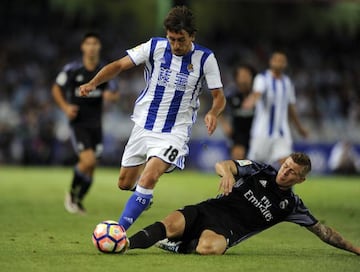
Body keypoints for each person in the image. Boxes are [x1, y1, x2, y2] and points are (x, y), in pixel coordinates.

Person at [79, 6, 226, 230]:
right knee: (125, 183)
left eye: (181, 40)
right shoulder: (155, 46)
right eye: (172, 39)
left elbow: (219, 96)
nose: (176, 45)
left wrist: (213, 112)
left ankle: (118, 232)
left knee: (149, 177)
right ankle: (143, 198)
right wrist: (93, 82)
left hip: (174, 131)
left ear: (192, 36)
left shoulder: (206, 59)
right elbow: (119, 65)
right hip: (143, 125)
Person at [125, 152, 360, 256]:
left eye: (292, 172)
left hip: (226, 229)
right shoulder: (259, 170)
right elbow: (222, 164)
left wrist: (355, 249)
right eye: (285, 166)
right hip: (206, 210)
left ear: (301, 179)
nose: (285, 172)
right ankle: (124, 243)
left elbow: (323, 232)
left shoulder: (291, 205)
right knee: (170, 223)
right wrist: (227, 174)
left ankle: (175, 246)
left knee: (210, 249)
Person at [52, 32, 119, 214]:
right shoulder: (73, 69)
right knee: (87, 160)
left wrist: (109, 96)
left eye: (95, 43)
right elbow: (56, 88)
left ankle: (79, 200)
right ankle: (71, 195)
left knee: (91, 167)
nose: (91, 46)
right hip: (78, 123)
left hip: (96, 125)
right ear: (83, 47)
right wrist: (66, 107)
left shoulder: (104, 70)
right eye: (88, 43)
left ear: (99, 47)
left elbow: (115, 92)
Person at [243, 52, 308, 164]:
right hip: (262, 131)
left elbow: (291, 107)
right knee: (255, 166)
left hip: (282, 132)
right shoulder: (262, 78)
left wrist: (299, 127)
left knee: (287, 164)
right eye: (276, 59)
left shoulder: (287, 82)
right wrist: (251, 101)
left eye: (281, 60)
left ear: (285, 64)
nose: (279, 62)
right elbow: (257, 93)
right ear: (271, 61)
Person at [219, 64, 256, 159]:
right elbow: (218, 107)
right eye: (242, 75)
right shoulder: (231, 92)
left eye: (247, 75)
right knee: (238, 157)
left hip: (255, 131)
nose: (244, 78)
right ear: (237, 77)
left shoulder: (257, 92)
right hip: (238, 131)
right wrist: (225, 125)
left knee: (255, 160)